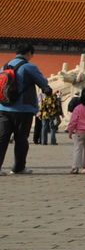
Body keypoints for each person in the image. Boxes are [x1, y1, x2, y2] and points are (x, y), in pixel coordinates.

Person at [1, 43, 54, 175]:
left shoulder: (4, 66)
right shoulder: (29, 67)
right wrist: (47, 90)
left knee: (2, 138)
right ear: (29, 53)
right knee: (21, 139)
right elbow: (43, 83)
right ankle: (18, 168)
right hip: (23, 109)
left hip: (3, 107)